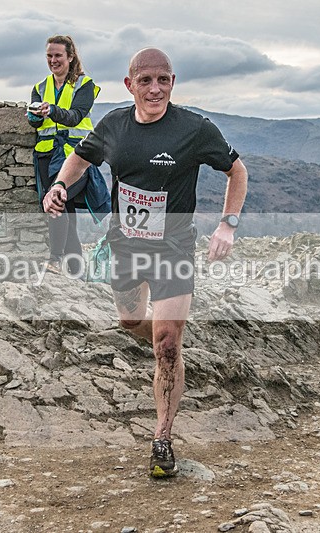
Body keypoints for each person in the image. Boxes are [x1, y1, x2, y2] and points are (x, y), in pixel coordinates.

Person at [43, 48, 248, 477]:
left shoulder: (194, 129)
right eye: (146, 80)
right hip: (125, 246)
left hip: (173, 248)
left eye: (164, 80)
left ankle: (162, 438)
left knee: (168, 344)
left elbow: (237, 171)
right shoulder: (114, 126)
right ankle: (156, 342)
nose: (155, 89)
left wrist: (227, 225)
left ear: (173, 83)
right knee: (131, 322)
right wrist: (60, 185)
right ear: (129, 84)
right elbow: (80, 159)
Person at [28, 35, 109, 276]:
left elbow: (76, 116)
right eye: (49, 56)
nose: (53, 60)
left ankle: (55, 260)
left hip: (75, 157)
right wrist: (34, 117)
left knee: (57, 201)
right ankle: (76, 270)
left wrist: (51, 110)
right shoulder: (39, 87)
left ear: (70, 57)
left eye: (58, 56)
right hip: (46, 156)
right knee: (67, 213)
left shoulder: (85, 85)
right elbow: (35, 122)